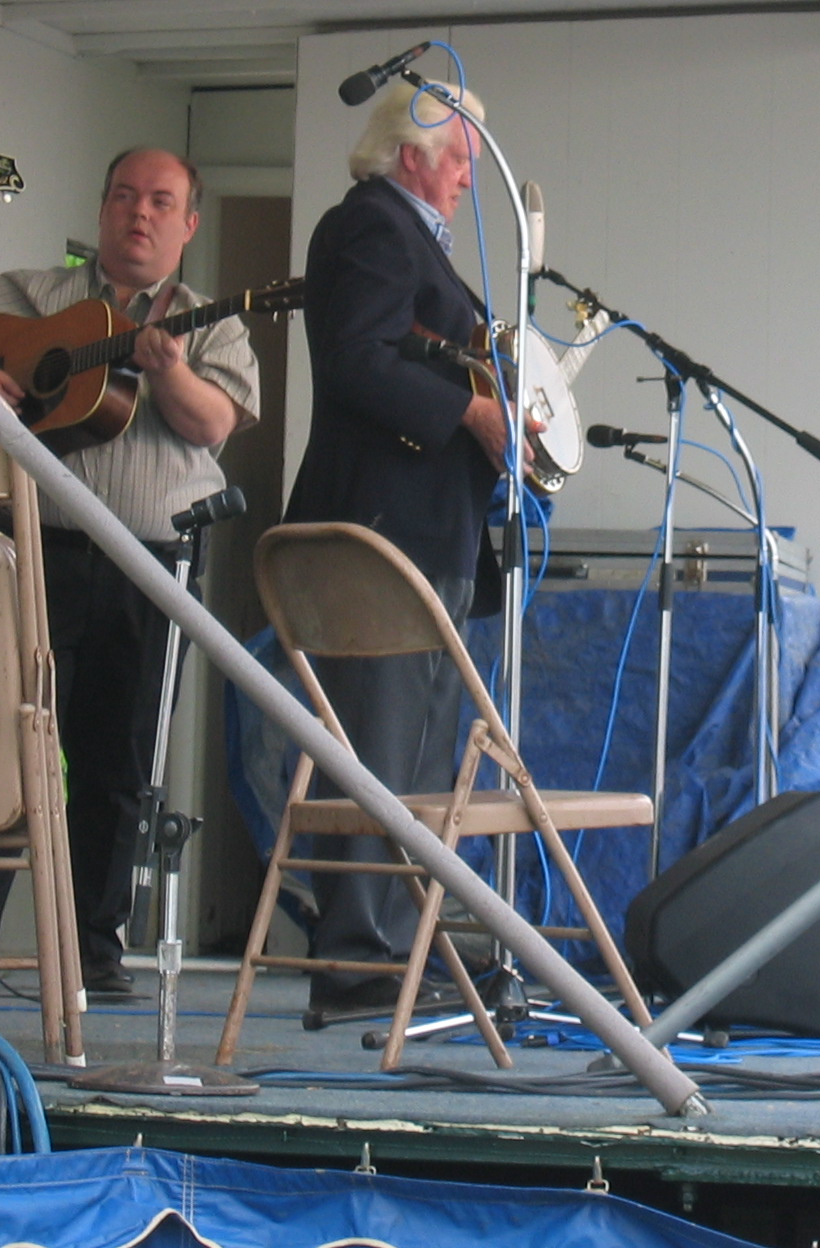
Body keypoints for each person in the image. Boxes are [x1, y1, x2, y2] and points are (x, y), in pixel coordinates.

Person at [0, 147, 259, 996]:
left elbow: (212, 424)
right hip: (32, 549)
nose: (140, 214)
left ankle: (90, 956)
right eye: (125, 196)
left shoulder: (210, 321)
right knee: (8, 745)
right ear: (101, 210)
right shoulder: (31, 296)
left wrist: (170, 371)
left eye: (161, 202)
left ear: (189, 225)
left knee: (117, 762)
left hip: (148, 565)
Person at [283, 84, 511, 1018]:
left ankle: (385, 950)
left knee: (409, 752)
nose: (468, 175)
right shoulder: (374, 225)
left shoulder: (411, 240)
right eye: (459, 155)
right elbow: (356, 357)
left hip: (419, 530)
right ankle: (354, 961)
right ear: (410, 154)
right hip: (381, 532)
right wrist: (468, 409)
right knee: (378, 748)